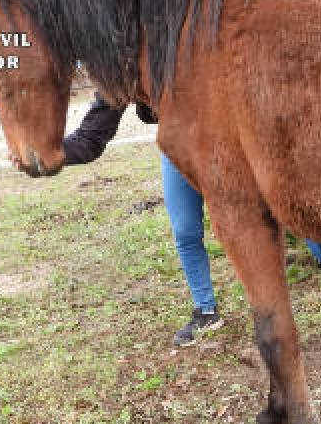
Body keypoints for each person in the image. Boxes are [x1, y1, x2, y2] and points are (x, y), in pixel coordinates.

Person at [62, 92, 222, 346]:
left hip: (226, 133)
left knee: (275, 210)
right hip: (175, 144)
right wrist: (47, 152)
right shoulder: (124, 62)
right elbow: (91, 135)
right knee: (185, 232)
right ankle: (206, 310)